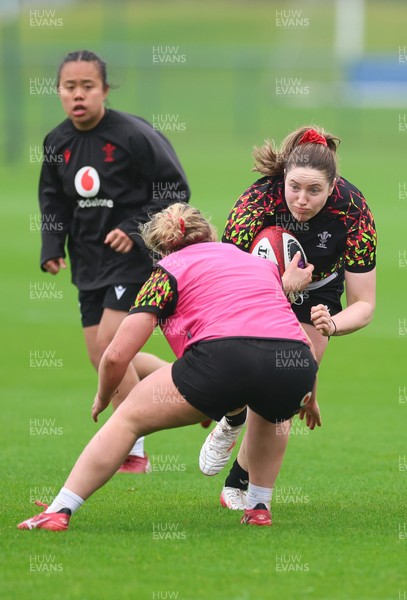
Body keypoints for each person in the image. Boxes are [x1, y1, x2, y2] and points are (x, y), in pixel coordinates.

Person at [18, 202, 320, 531]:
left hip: (222, 361)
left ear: (159, 250)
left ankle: (59, 510)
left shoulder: (168, 269)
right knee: (272, 408)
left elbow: (117, 354)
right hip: (297, 367)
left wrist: (104, 396)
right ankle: (259, 506)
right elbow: (286, 330)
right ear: (210, 232)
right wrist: (310, 396)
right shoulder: (256, 263)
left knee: (128, 419)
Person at [199, 125, 377, 509]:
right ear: (282, 178)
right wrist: (281, 284)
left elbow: (364, 304)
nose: (302, 199)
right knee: (249, 371)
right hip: (257, 286)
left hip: (320, 293)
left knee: (287, 387)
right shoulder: (258, 199)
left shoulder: (354, 210)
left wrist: (333, 324)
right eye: (294, 187)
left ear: (333, 187)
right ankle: (232, 415)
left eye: (315, 190)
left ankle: (240, 480)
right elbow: (228, 280)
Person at [39, 50, 190, 472]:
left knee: (112, 345)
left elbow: (175, 187)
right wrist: (51, 246)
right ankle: (198, 388)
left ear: (104, 90)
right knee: (102, 356)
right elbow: (52, 200)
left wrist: (135, 226)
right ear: (59, 92)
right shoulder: (57, 142)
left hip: (133, 258)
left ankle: (133, 448)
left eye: (88, 86)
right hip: (88, 259)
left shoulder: (133, 135)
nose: (78, 95)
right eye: (70, 87)